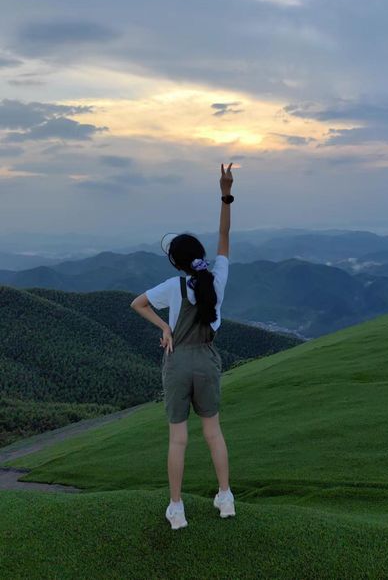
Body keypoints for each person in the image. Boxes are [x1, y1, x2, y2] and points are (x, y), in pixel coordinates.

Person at [130, 163, 235, 530]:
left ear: (176, 262)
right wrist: (225, 192)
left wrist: (165, 328)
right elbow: (225, 234)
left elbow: (137, 303)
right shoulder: (217, 277)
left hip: (177, 363)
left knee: (179, 439)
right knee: (213, 432)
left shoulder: (172, 287)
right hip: (207, 359)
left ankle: (177, 509)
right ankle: (225, 498)